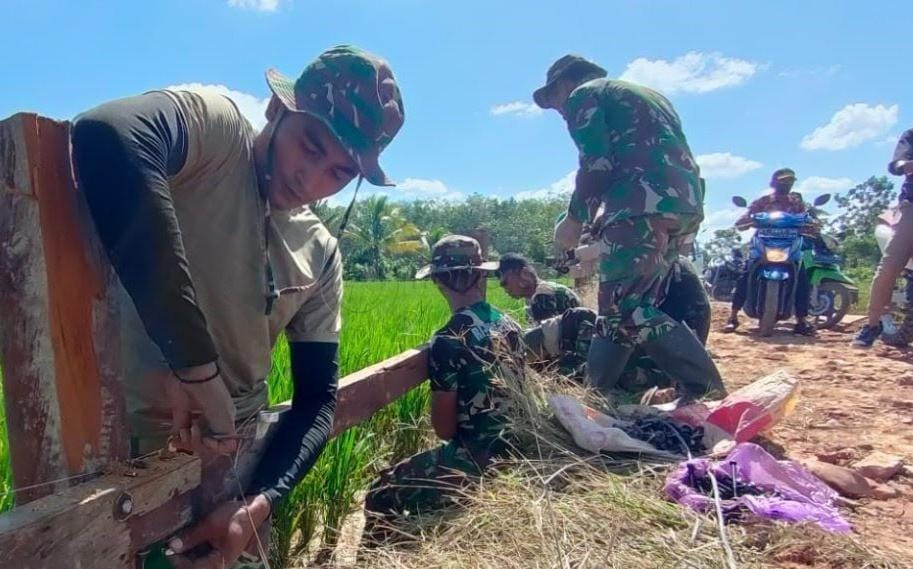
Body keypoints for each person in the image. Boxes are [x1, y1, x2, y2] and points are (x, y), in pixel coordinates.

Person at [70, 45, 405, 568]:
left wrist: (259, 503)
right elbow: (107, 132)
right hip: (127, 465)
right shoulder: (217, 136)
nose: (310, 180)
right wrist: (196, 370)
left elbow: (318, 398)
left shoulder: (319, 251)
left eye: (338, 173)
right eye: (309, 146)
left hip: (234, 471)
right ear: (278, 110)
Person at [535, 54, 724, 400]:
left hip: (640, 206)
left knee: (628, 310)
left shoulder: (583, 95)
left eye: (554, 100)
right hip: (682, 205)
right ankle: (595, 396)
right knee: (619, 312)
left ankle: (705, 390)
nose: (558, 110)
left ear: (564, 83)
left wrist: (574, 219)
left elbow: (597, 164)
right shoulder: (649, 96)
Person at [364, 236, 524, 534]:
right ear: (480, 274)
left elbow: (445, 429)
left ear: (438, 281)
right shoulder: (510, 324)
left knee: (380, 492)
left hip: (478, 458)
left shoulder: (448, 339)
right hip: (518, 447)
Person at [525, 257, 711, 395]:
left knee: (572, 354)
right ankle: (517, 357)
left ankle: (517, 359)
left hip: (654, 372)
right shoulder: (664, 260)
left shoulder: (639, 261)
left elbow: (619, 326)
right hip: (658, 354)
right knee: (577, 322)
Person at [722, 168, 816, 336]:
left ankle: (801, 320)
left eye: (790, 181)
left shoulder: (796, 203)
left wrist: (812, 225)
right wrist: (748, 220)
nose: (786, 184)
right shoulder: (762, 202)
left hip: (788, 244)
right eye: (783, 181)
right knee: (745, 274)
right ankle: (733, 317)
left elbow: (807, 220)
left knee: (802, 278)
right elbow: (744, 219)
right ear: (773, 183)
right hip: (764, 243)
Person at [854, 128, 913, 347]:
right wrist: (904, 165)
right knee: (889, 266)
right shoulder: (911, 135)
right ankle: (872, 325)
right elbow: (898, 162)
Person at [497, 253, 581, 323]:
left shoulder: (543, 296)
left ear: (524, 274)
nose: (506, 289)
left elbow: (546, 336)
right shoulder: (540, 293)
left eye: (506, 283)